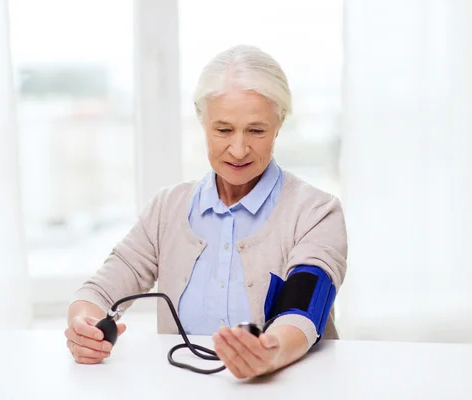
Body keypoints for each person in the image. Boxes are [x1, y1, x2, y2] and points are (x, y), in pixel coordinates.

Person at [64, 44, 348, 379]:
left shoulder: (316, 211)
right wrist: (83, 326)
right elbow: (100, 291)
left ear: (279, 124)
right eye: (224, 129)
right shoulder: (166, 208)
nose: (239, 149)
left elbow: (303, 309)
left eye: (256, 130)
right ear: (202, 122)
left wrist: (269, 353)